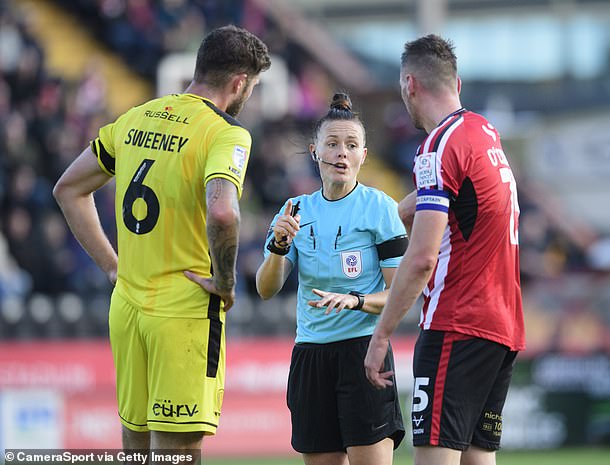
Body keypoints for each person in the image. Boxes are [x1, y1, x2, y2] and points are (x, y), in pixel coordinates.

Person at [53, 25, 271, 453]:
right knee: (177, 456)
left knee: (134, 450)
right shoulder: (225, 132)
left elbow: (68, 189)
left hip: (128, 305)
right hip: (184, 309)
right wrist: (225, 283)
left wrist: (113, 266)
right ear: (240, 82)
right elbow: (223, 211)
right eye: (253, 87)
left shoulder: (136, 117)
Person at [365, 35, 525, 465]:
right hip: (502, 327)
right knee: (477, 457)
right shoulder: (483, 132)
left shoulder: (437, 146)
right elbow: (467, 198)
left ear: (409, 85)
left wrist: (381, 335)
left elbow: (421, 260)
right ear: (459, 83)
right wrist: (403, 207)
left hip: (457, 322)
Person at [255, 93, 407, 465]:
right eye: (333, 144)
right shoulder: (295, 210)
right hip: (311, 354)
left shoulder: (379, 208)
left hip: (363, 351)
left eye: (351, 145)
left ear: (363, 156)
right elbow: (265, 288)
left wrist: (355, 301)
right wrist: (278, 246)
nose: (342, 153)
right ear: (314, 151)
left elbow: (401, 293)